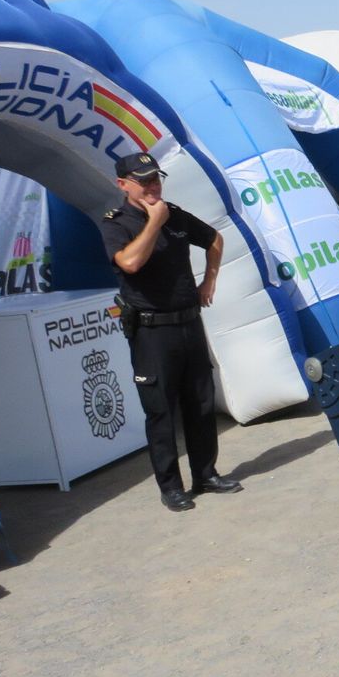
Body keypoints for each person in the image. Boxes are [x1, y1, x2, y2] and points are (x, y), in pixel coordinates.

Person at [99, 152, 242, 512]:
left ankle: (205, 474)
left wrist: (209, 281)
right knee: (161, 411)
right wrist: (153, 223)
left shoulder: (174, 214)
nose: (152, 186)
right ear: (123, 185)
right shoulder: (117, 222)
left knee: (201, 402)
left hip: (189, 323)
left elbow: (214, 239)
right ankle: (171, 487)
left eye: (156, 179)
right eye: (143, 180)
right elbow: (130, 263)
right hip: (152, 332)